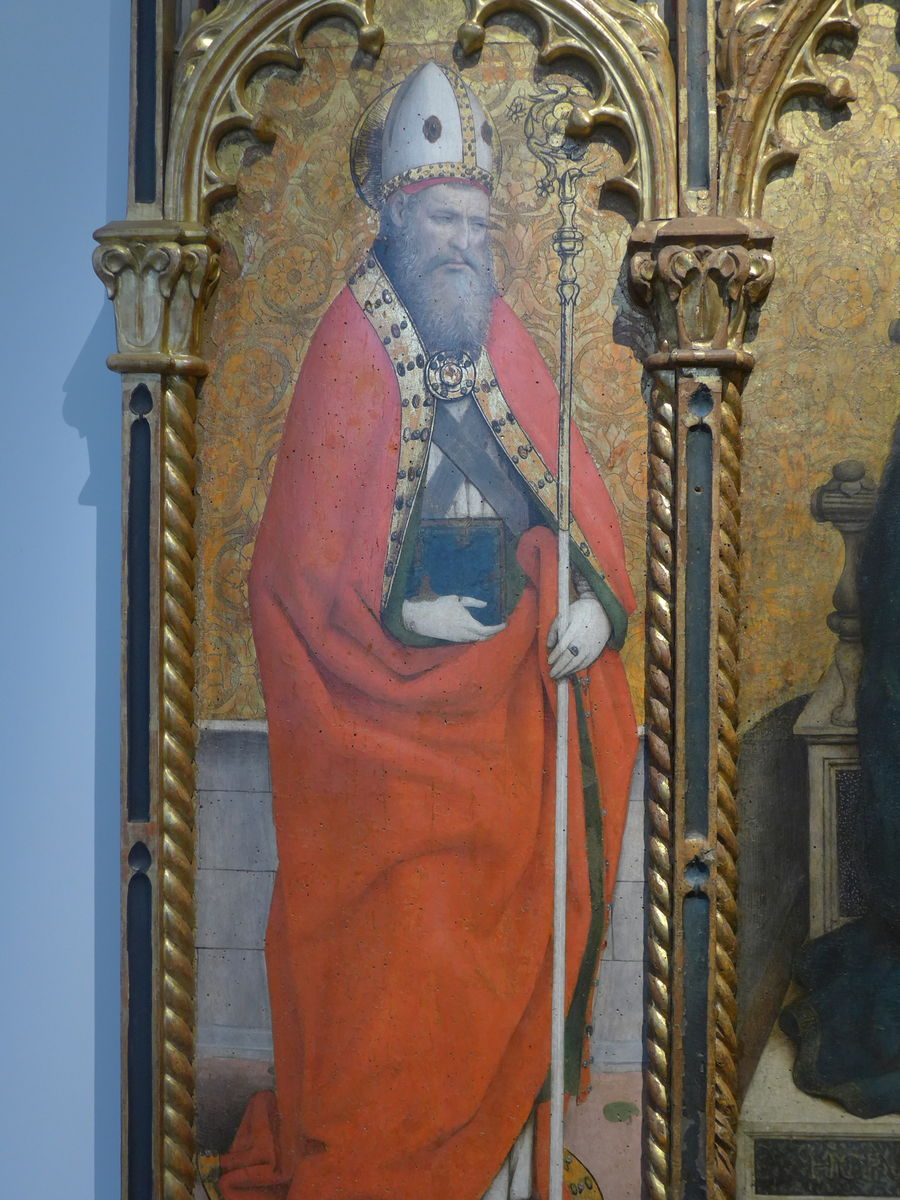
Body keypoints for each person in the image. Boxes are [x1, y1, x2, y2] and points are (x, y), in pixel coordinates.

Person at [213, 62, 638, 1200]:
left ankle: (500, 1166)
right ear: (398, 215)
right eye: (444, 218)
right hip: (373, 734)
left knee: (520, 911)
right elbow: (294, 579)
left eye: (476, 223)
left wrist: (588, 604)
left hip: (502, 709)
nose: (463, 242)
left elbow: (571, 503)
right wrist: (401, 621)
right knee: (408, 942)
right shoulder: (349, 351)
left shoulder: (500, 333)